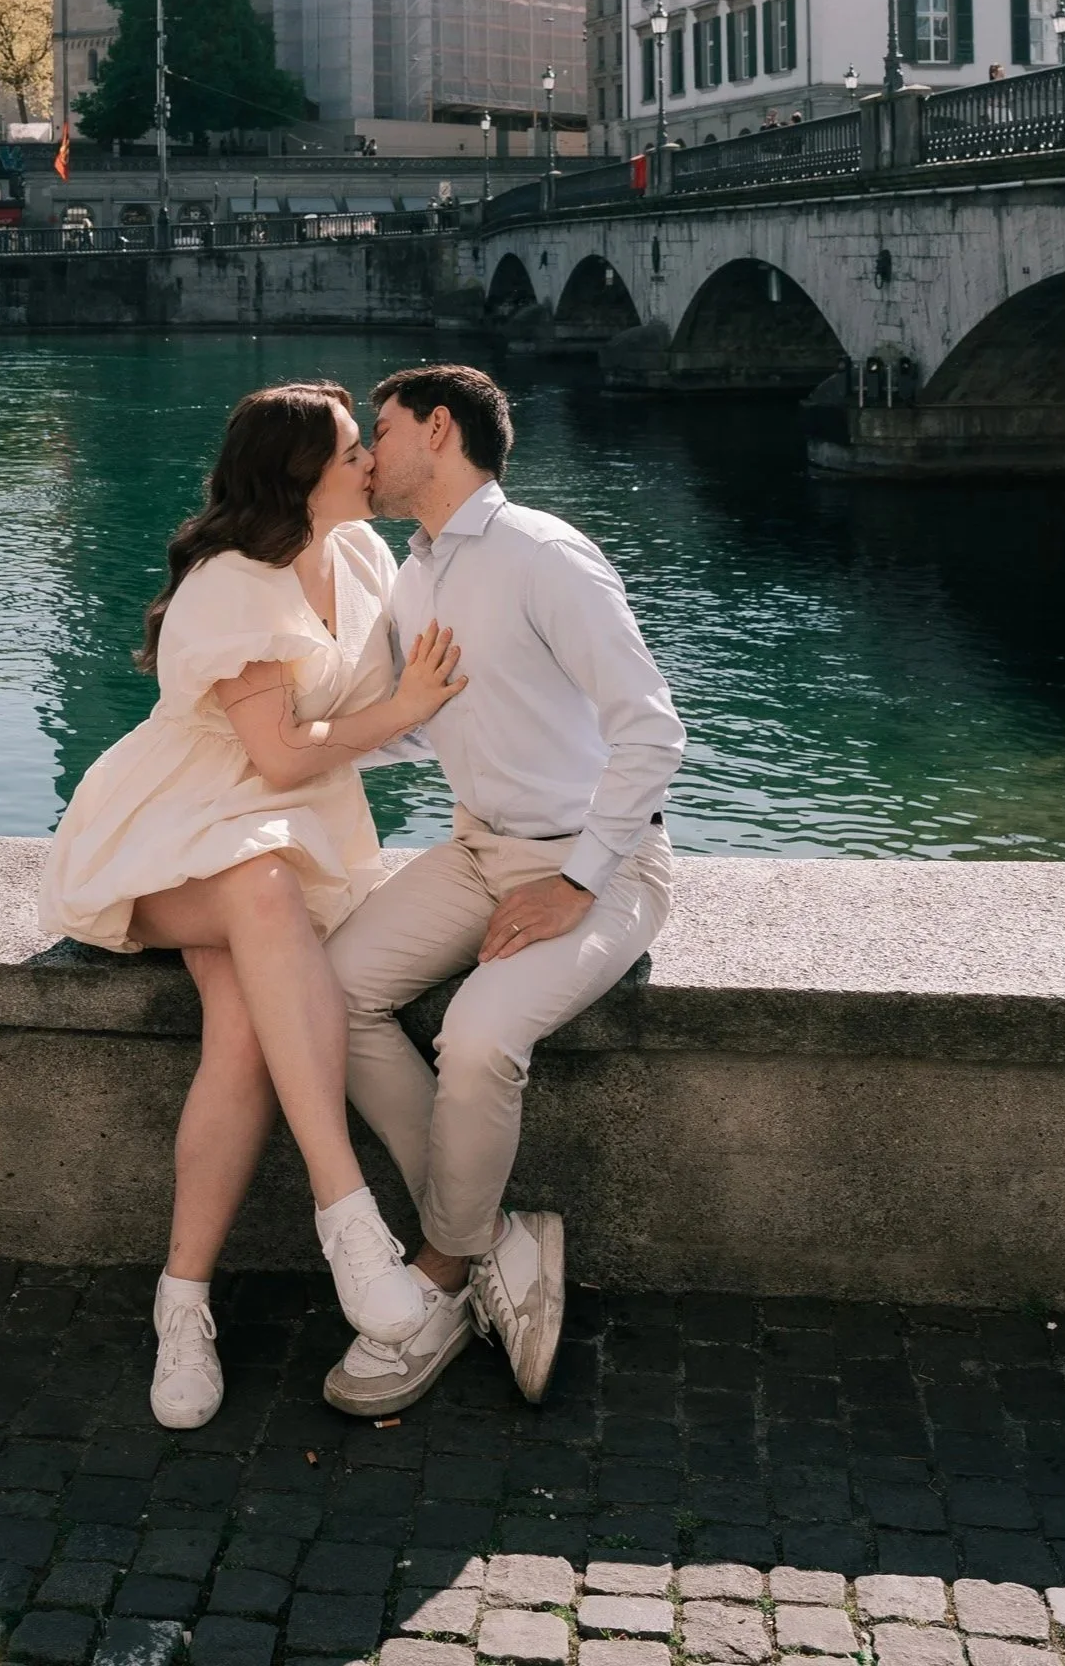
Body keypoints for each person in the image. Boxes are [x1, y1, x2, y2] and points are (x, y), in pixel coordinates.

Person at [36, 380, 468, 1433]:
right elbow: (273, 756)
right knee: (262, 888)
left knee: (238, 1029)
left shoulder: (365, 555)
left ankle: (181, 1303)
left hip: (283, 832)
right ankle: (349, 1220)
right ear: (300, 477)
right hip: (172, 828)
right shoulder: (232, 583)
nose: (371, 459)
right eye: (352, 449)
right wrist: (406, 705)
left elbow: (394, 698)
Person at [321, 362, 686, 1417]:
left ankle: (435, 1277)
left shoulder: (542, 554)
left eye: (376, 430)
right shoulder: (414, 573)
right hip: (479, 852)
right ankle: (493, 1235)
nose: (364, 452)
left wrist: (576, 882)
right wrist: (275, 756)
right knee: (332, 991)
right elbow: (419, 726)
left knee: (478, 1038)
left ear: (437, 431)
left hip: (601, 865)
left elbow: (650, 731)